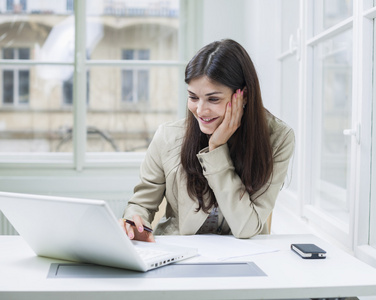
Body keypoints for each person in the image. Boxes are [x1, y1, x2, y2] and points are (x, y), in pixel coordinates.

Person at [121, 39, 294, 242]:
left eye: (213, 99)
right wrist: (135, 223)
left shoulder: (278, 138)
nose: (200, 111)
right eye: (193, 97)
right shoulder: (168, 136)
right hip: (180, 252)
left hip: (244, 257)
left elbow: (246, 227)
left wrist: (217, 150)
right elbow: (142, 204)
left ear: (243, 96)